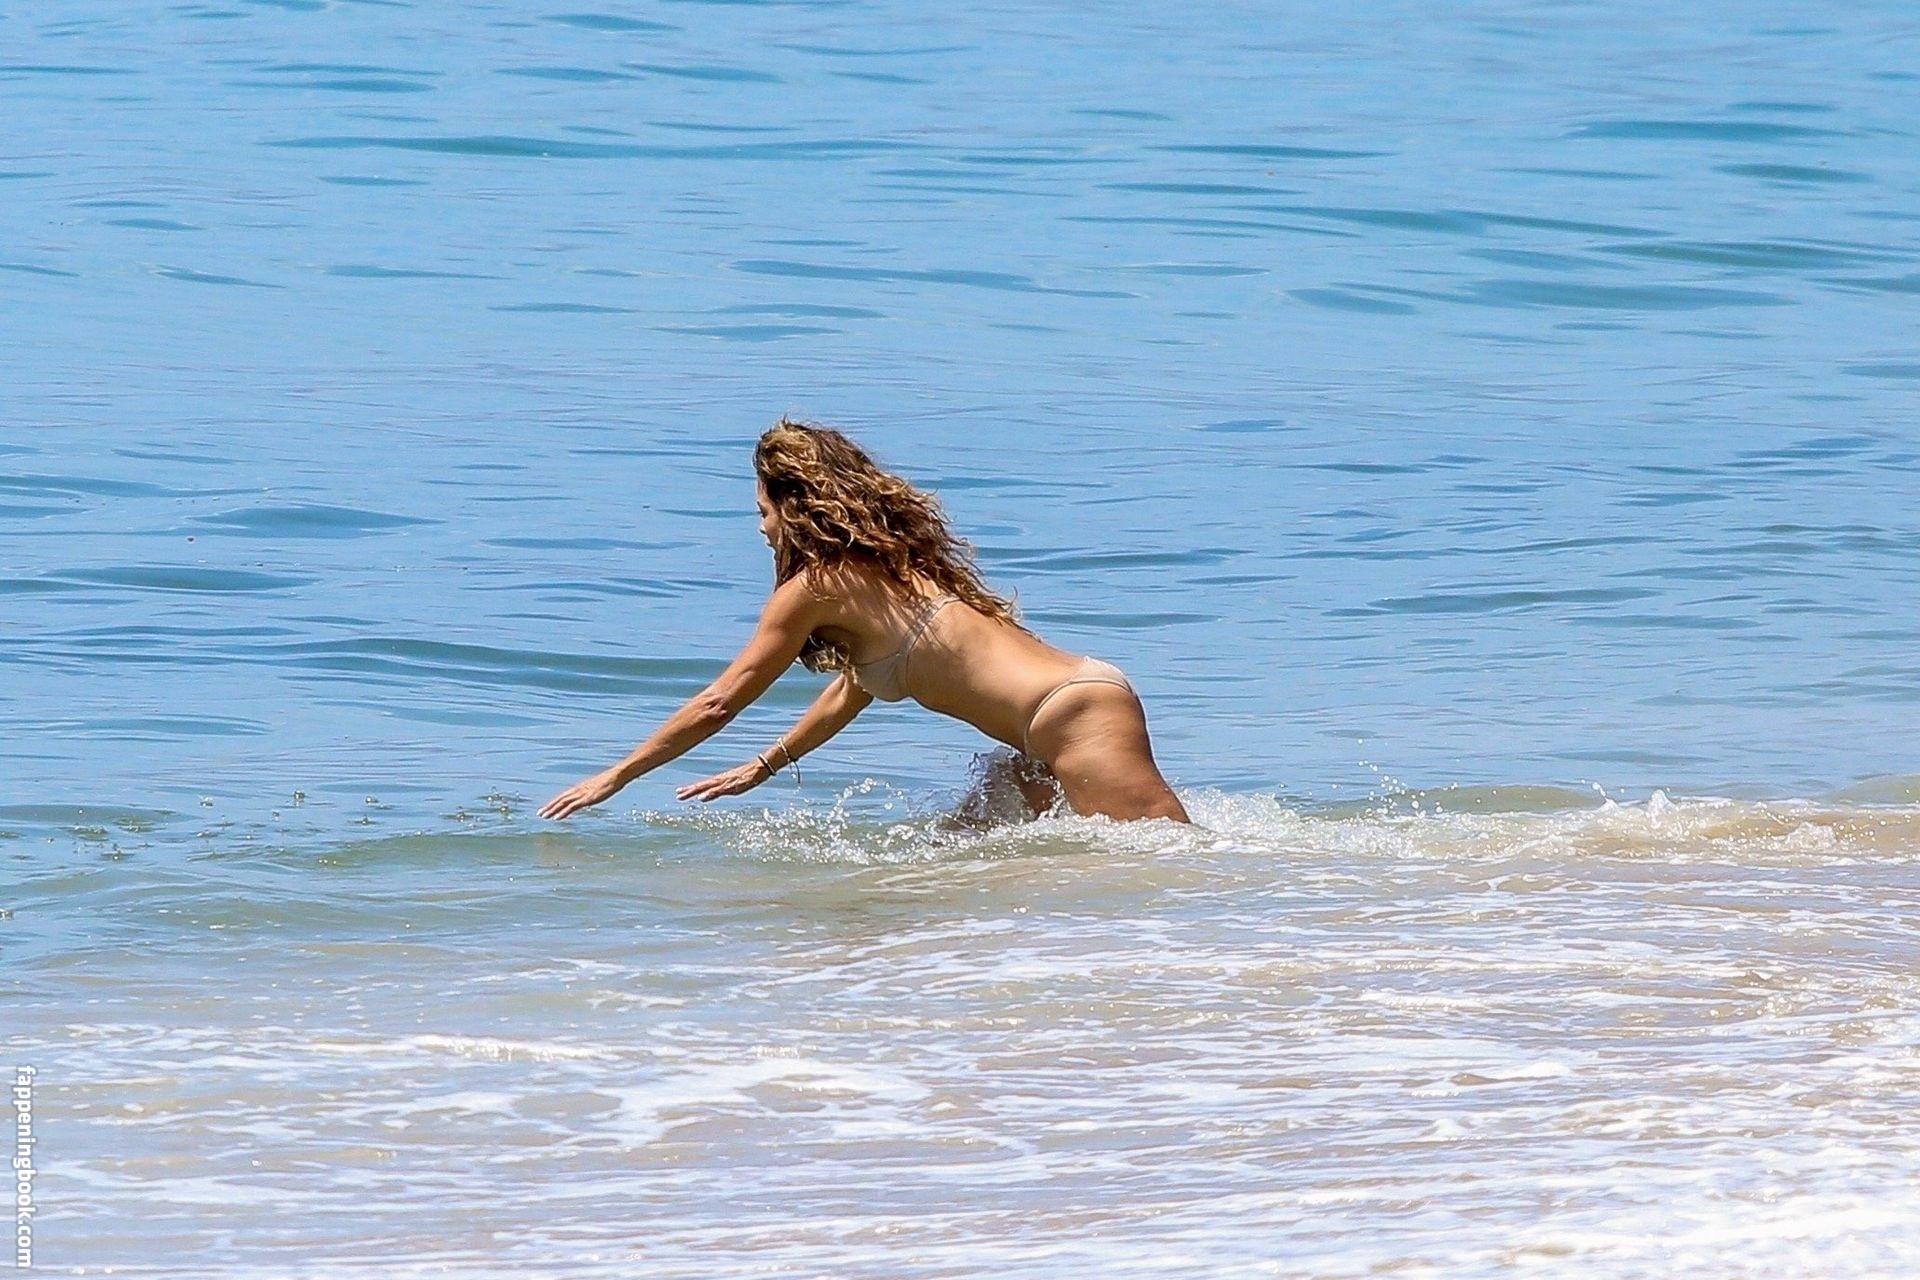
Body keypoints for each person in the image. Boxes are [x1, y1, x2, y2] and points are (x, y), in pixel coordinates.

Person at [538, 419, 1190, 825]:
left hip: (1071, 715)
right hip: (1046, 730)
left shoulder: (814, 588)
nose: (761, 528)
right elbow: (853, 689)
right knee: (957, 853)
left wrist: (616, 776)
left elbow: (718, 702)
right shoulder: (885, 572)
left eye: (762, 511)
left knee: (1174, 869)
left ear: (793, 505)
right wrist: (765, 766)